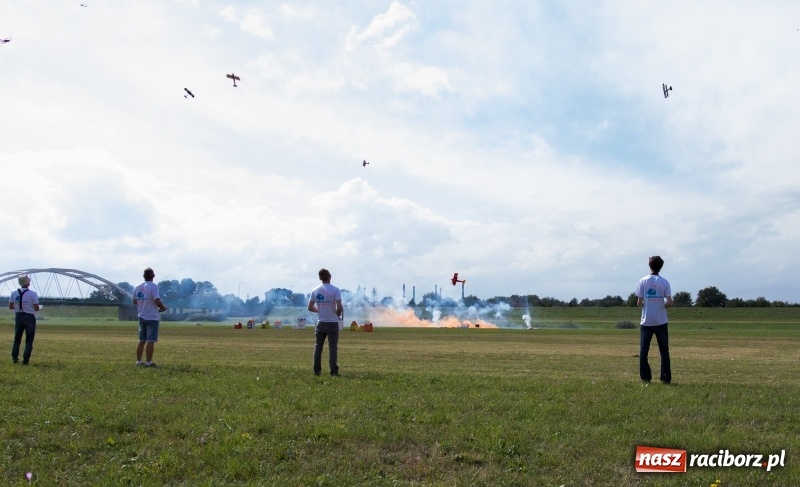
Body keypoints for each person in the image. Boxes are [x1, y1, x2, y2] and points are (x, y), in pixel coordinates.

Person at [635, 256, 673, 384]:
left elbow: (639, 302)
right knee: (664, 351)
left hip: (646, 322)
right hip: (661, 321)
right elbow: (670, 302)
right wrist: (663, 306)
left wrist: (645, 302)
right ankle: (665, 378)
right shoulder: (665, 282)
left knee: (644, 351)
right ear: (660, 267)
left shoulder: (643, 281)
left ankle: (645, 378)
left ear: (649, 266)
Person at [307, 268, 343, 376]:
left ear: (320, 278)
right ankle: (334, 371)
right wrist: (336, 313)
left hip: (320, 322)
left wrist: (320, 310)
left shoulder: (315, 290)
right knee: (332, 348)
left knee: (318, 347)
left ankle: (316, 371)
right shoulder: (335, 290)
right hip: (332, 322)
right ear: (330, 276)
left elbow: (309, 307)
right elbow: (339, 307)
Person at [133, 267, 166, 367]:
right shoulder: (153, 286)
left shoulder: (137, 286)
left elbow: (135, 301)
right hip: (152, 317)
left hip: (141, 316)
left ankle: (138, 361)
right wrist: (163, 307)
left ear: (143, 276)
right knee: (150, 341)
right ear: (153, 276)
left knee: (142, 340)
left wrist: (143, 304)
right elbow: (157, 300)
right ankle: (148, 362)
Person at [8, 275, 40, 365]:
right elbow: (36, 308)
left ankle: (15, 358)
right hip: (29, 317)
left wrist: (18, 306)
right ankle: (25, 360)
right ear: (28, 283)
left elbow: (10, 306)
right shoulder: (32, 294)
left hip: (18, 316)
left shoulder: (14, 293)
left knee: (17, 339)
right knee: (29, 340)